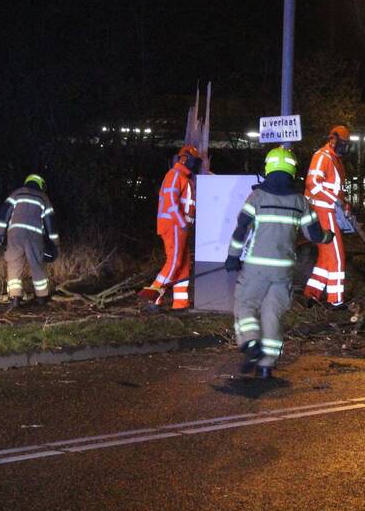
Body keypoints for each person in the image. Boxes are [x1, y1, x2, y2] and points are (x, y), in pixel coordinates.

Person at [225, 147, 334, 378]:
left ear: (268, 168)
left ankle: (251, 343)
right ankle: (266, 366)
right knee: (272, 313)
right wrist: (329, 236)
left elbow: (240, 230)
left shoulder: (257, 197)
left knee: (245, 305)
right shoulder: (300, 201)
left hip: (256, 267)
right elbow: (315, 236)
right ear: (292, 170)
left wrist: (232, 257)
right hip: (283, 270)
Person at [139, 145, 200, 310]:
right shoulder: (174, 175)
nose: (197, 165)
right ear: (184, 159)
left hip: (182, 227)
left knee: (183, 265)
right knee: (174, 262)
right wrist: (182, 223)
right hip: (174, 226)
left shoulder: (185, 178)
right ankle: (150, 298)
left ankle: (181, 303)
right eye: (195, 161)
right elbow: (171, 202)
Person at [303, 124, 351, 308]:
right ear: (333, 139)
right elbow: (313, 184)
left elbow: (335, 190)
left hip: (328, 211)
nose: (344, 147)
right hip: (323, 212)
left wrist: (344, 204)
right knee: (337, 257)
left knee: (326, 257)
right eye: (343, 143)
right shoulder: (322, 157)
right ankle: (335, 300)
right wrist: (336, 201)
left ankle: (311, 294)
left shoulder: (335, 160)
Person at [0, 174, 60, 309]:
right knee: (37, 264)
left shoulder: (16, 193)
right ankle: (42, 297)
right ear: (41, 184)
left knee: (14, 264)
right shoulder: (43, 198)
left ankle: (15, 298)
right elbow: (50, 223)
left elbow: (4, 213)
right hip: (34, 235)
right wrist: (55, 243)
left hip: (15, 234)